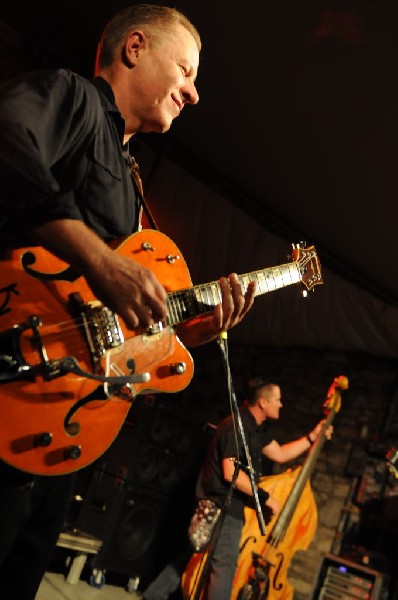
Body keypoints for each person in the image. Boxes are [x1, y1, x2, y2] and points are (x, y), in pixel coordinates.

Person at [0, 5, 256, 599]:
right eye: (186, 71)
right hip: (16, 368)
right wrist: (101, 258)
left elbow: (107, 315)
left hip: (64, 416)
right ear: (135, 47)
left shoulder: (131, 171)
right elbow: (8, 141)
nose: (194, 94)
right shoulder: (72, 96)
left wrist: (185, 331)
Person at [181, 377, 333, 600]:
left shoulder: (257, 429)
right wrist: (265, 497)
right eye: (278, 400)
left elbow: (280, 454)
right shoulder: (238, 426)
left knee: (198, 556)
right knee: (224, 567)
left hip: (229, 506)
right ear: (263, 402)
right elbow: (230, 471)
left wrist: (313, 437)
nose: (281, 404)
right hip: (222, 506)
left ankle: (155, 594)